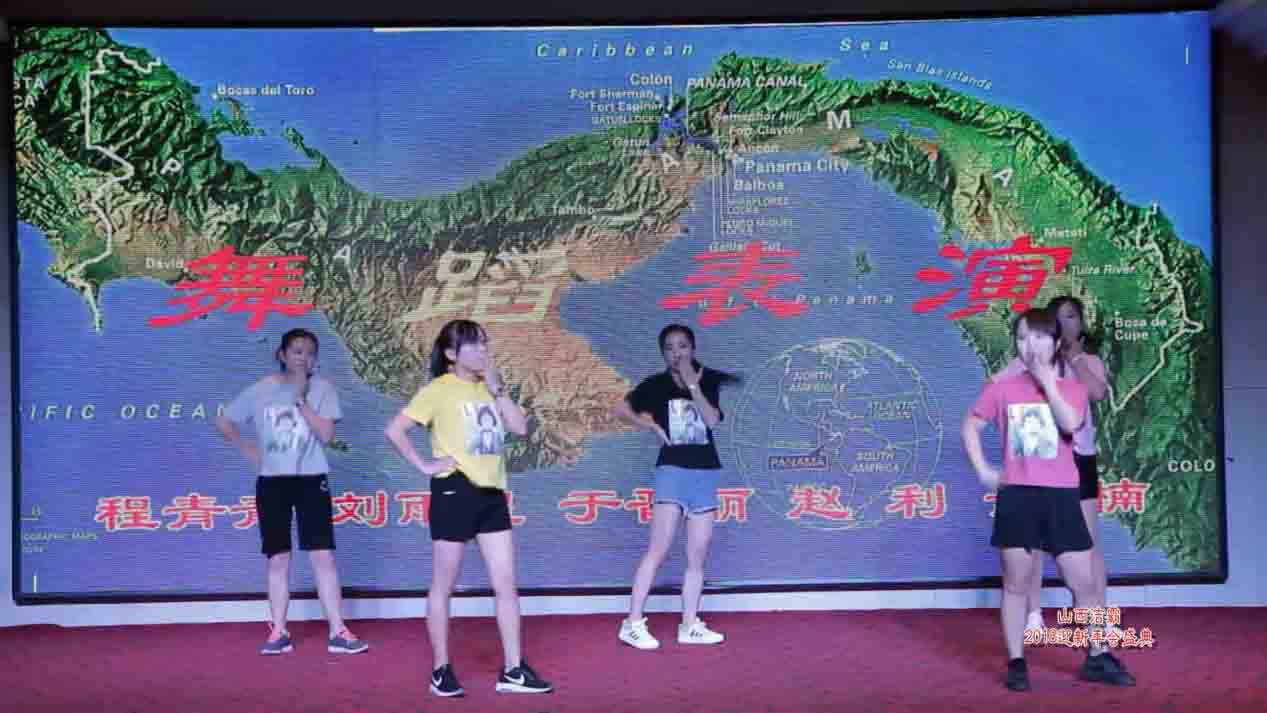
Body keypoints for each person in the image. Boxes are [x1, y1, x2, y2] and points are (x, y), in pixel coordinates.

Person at [963, 308, 1133, 692]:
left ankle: (1097, 654)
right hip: (1018, 497)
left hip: (1061, 497)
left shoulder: (1073, 389)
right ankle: (1017, 661)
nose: (1030, 346)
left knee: (1084, 582)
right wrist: (984, 469)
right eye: (1022, 338)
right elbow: (970, 425)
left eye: (1039, 337)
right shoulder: (1003, 389)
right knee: (1016, 584)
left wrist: (1047, 384)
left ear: (1056, 343)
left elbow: (1070, 423)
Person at [384, 319, 552, 697]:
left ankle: (513, 669)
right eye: (472, 345)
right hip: (454, 491)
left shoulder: (490, 388)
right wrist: (425, 465)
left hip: (492, 493)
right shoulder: (438, 390)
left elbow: (520, 429)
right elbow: (394, 430)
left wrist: (498, 390)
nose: (481, 352)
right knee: (443, 585)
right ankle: (441, 669)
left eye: (483, 344)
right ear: (450, 354)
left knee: (505, 584)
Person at [216, 328, 369, 656]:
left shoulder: (323, 389)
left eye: (310, 353)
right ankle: (278, 632)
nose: (304, 358)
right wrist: (246, 447)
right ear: (282, 355)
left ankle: (338, 631)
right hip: (273, 482)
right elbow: (225, 421)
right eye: (297, 351)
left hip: (311, 480)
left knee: (322, 555)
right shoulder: (261, 389)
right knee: (278, 558)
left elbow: (327, 435)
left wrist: (300, 400)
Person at [988, 296, 1113, 638]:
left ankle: (1097, 616)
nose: (1066, 324)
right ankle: (1033, 614)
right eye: (1058, 319)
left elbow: (1098, 393)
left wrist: (1073, 357)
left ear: (1081, 323)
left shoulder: (1088, 361)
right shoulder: (1025, 363)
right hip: (1036, 463)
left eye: (1071, 317)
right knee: (1032, 545)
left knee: (1087, 544)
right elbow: (992, 390)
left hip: (1080, 459)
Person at [613, 324, 738, 650]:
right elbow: (620, 409)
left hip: (705, 472)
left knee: (697, 557)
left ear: (692, 349)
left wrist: (693, 385)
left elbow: (712, 421)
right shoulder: (655, 384)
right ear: (663, 353)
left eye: (682, 346)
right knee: (658, 549)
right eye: (669, 348)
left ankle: (690, 624)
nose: (676, 353)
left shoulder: (708, 380)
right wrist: (649, 425)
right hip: (672, 471)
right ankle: (632, 623)